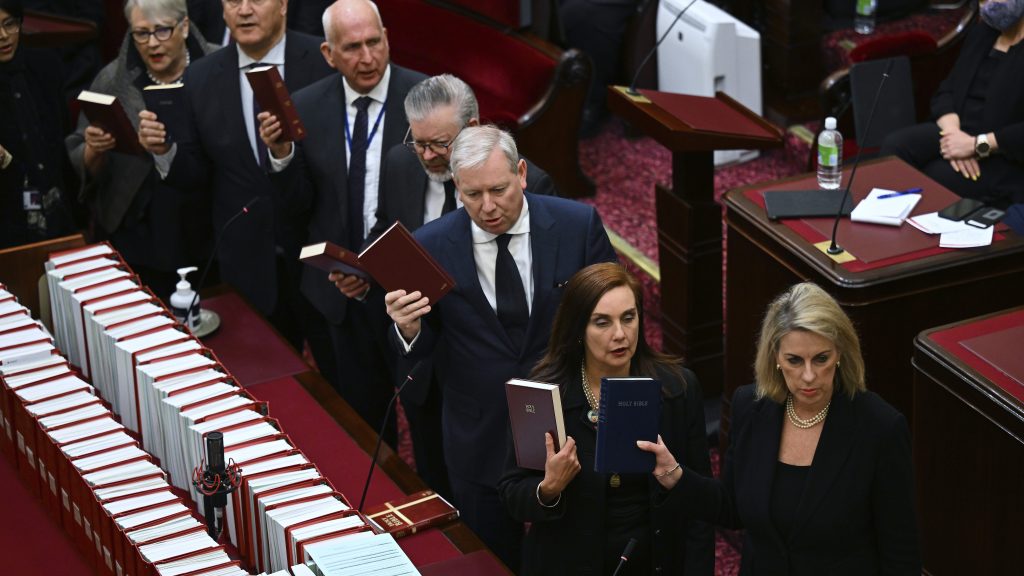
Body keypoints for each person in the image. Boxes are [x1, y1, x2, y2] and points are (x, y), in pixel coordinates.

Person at [382, 125, 618, 569]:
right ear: (457, 188)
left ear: (522, 174)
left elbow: (616, 314)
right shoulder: (429, 245)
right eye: (472, 195)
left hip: (569, 426)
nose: (487, 207)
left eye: (498, 190)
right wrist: (407, 328)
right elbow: (422, 346)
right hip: (479, 435)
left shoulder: (577, 225)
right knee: (489, 559)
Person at [365, 73, 554, 497]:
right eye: (418, 143)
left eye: (439, 144)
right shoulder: (401, 163)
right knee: (437, 476)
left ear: (471, 128)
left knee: (515, 486)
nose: (428, 155)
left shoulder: (528, 184)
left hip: (494, 374)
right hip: (426, 361)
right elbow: (387, 228)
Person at [260, 0, 426, 443]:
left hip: (411, 291)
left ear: (387, 39)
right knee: (360, 425)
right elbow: (297, 208)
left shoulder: (426, 99)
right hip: (338, 296)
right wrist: (281, 155)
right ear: (329, 54)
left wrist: (377, 268)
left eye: (374, 42)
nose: (367, 57)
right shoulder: (305, 106)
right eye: (352, 48)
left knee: (427, 421)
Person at [137, 0, 334, 372]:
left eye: (255, 0)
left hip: (319, 260)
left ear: (283, 5)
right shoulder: (201, 76)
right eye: (233, 1)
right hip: (246, 264)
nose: (244, 10)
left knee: (343, 385)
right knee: (264, 383)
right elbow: (196, 176)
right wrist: (165, 151)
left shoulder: (324, 60)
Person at [677, 282, 921, 575]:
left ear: (840, 353)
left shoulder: (880, 428)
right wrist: (673, 475)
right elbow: (733, 508)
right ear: (775, 358)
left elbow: (901, 553)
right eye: (794, 360)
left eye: (821, 359)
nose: (808, 376)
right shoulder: (750, 406)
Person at [497, 262, 714, 575]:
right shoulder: (545, 395)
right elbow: (511, 493)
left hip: (654, 561)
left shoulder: (677, 388)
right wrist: (549, 488)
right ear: (578, 330)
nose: (620, 334)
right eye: (602, 322)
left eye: (628, 318)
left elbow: (702, 504)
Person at [66, 0, 216, 300]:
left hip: (207, 223)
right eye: (141, 33)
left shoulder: (216, 67)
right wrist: (94, 150)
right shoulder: (112, 79)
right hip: (137, 226)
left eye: (162, 31)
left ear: (185, 27)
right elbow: (81, 154)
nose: (152, 43)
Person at [880, 0, 1024, 207]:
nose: (986, 4)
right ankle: (884, 217)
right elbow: (947, 90)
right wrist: (953, 136)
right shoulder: (984, 32)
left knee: (936, 175)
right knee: (896, 145)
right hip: (958, 131)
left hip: (1003, 152)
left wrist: (975, 146)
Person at [0, 0, 76, 249]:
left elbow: (62, 139)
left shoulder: (46, 66)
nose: (3, 36)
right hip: (7, 218)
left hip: (57, 206)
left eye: (9, 24)